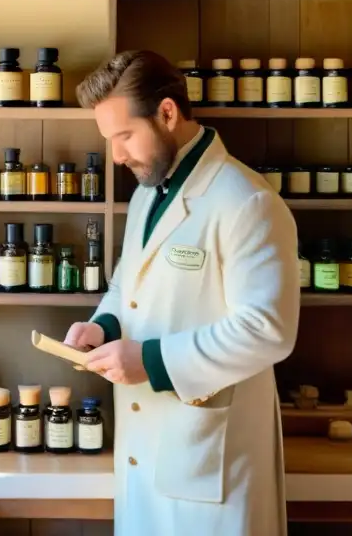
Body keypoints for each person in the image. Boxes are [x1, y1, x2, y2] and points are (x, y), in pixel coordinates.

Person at [64, 50, 300, 536]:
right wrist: (102, 325)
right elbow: (126, 284)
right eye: (109, 140)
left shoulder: (247, 201)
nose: (117, 156)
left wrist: (152, 361)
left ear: (168, 113)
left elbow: (268, 330)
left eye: (125, 136)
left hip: (209, 460)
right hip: (143, 450)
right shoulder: (147, 193)